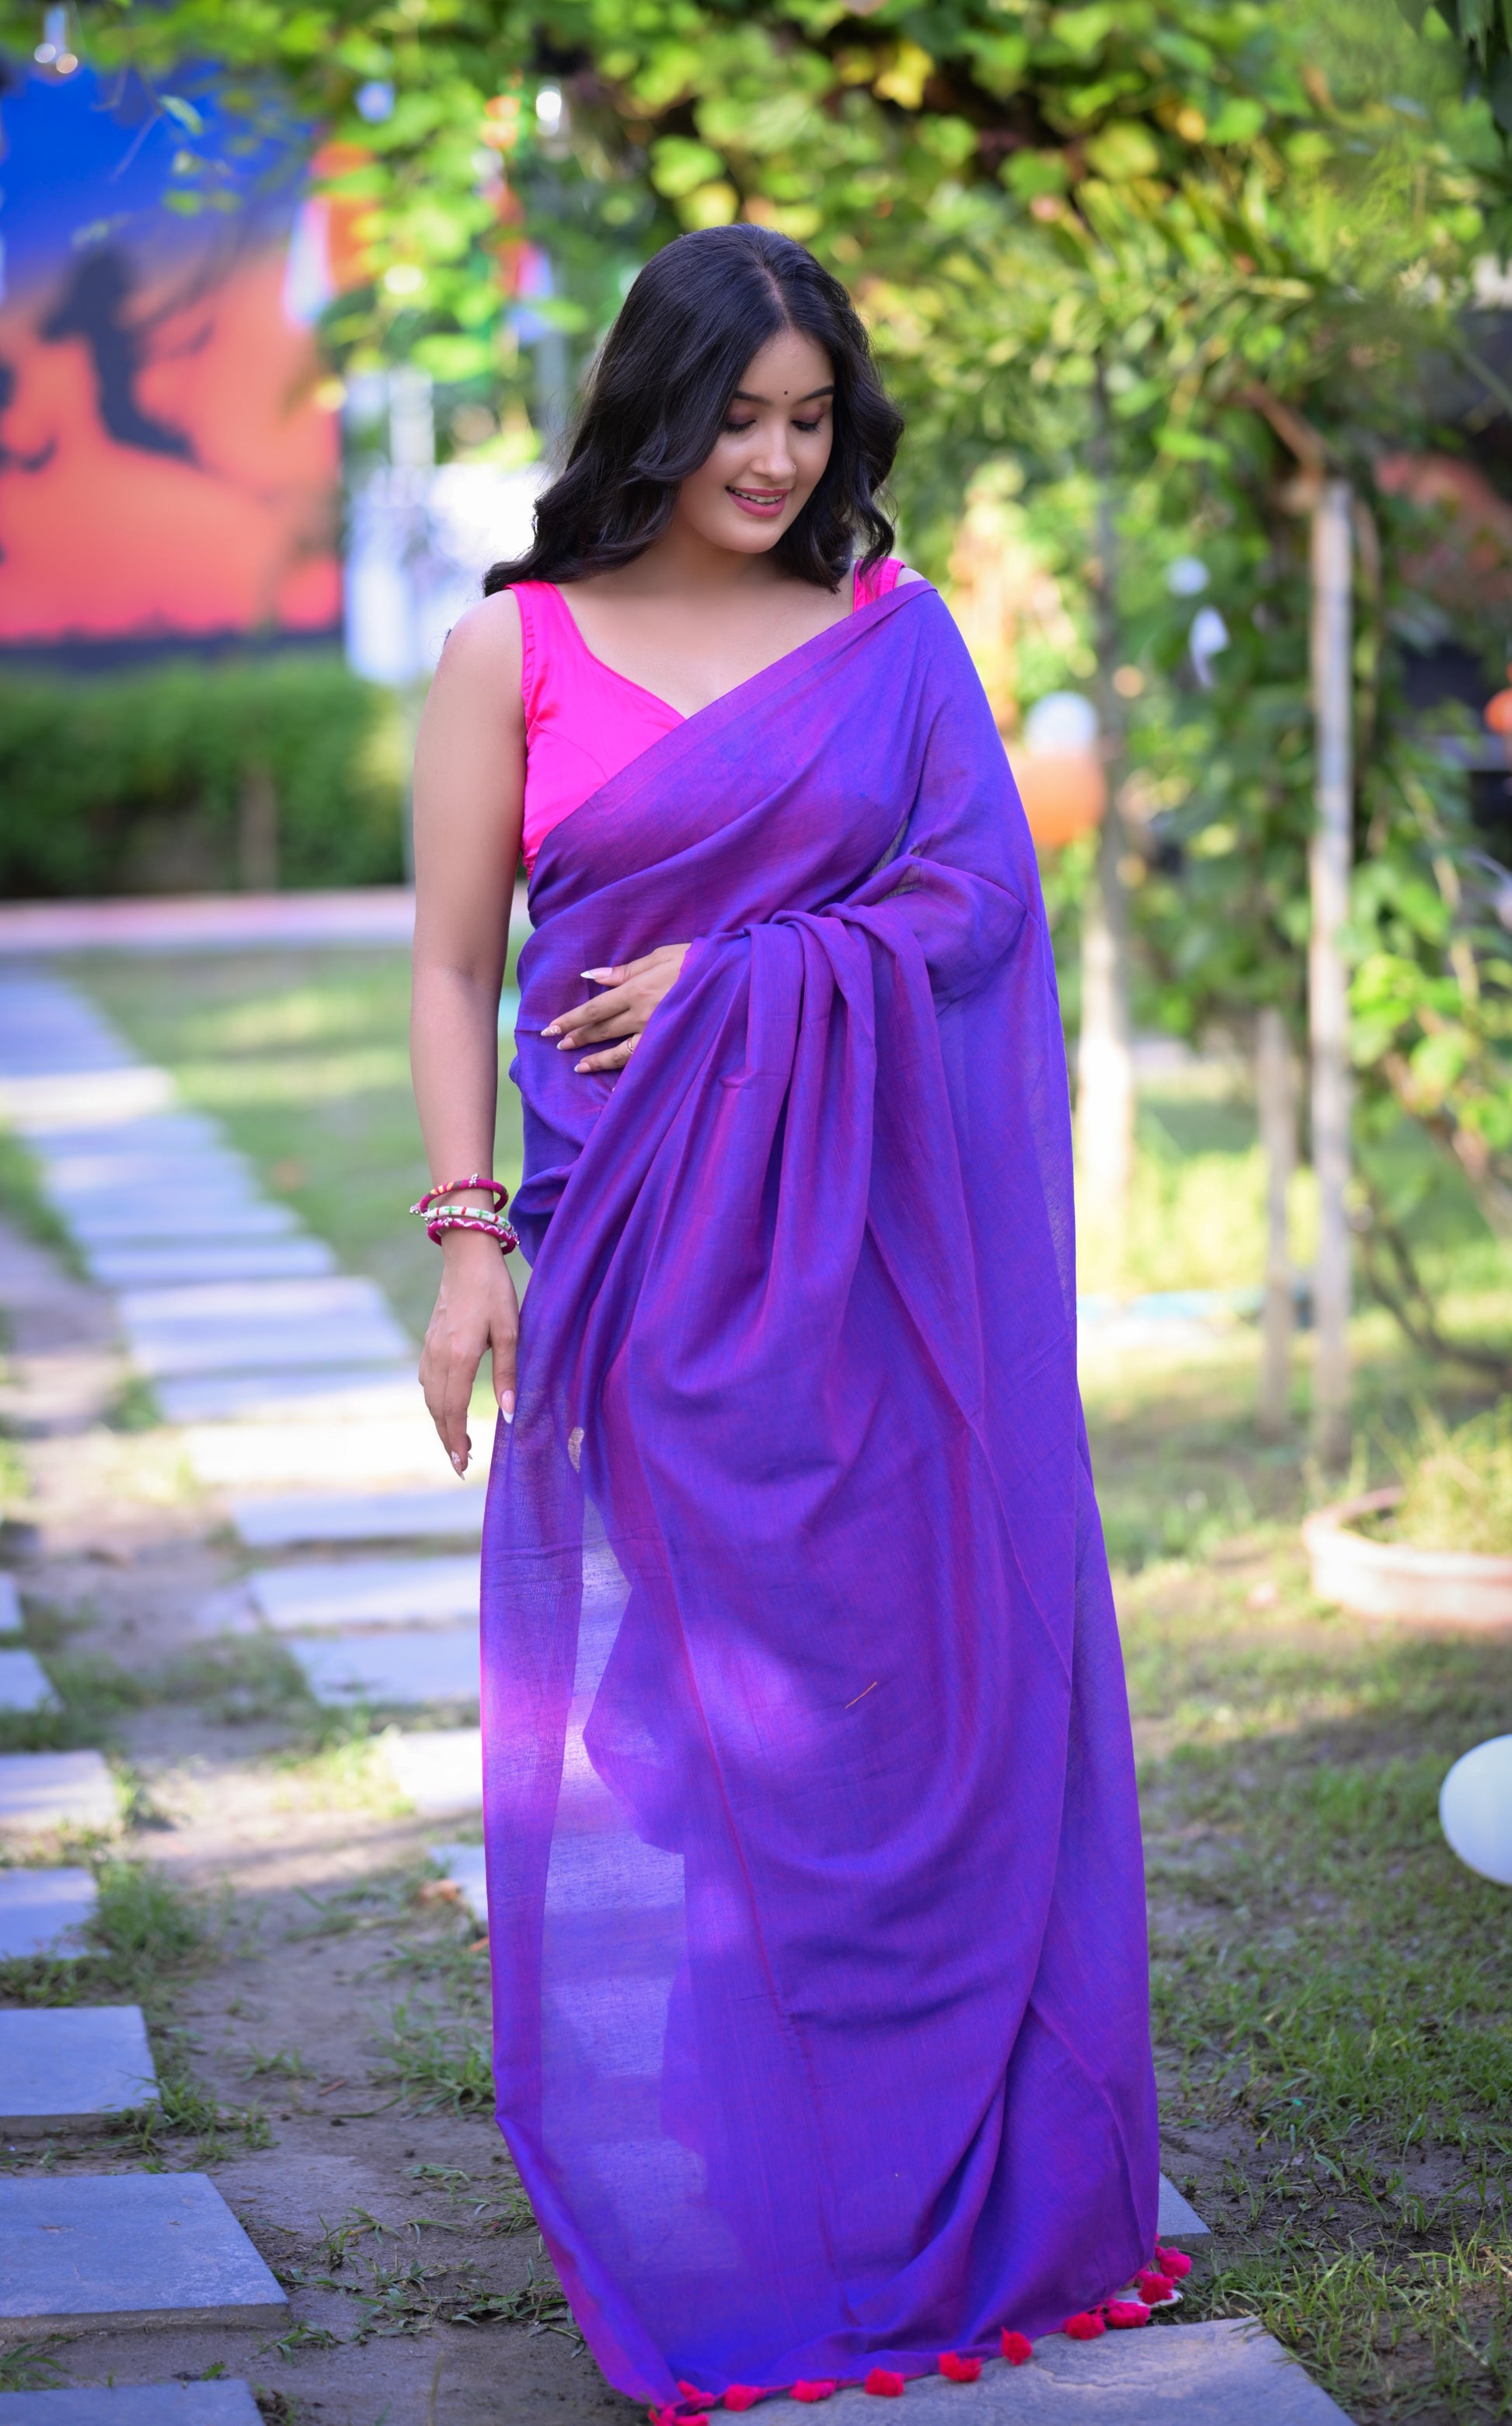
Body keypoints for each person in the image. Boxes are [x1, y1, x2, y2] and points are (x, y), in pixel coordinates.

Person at [408, 222, 1159, 2416]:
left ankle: (941, 2160)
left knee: (899, 1695)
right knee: (717, 1725)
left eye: (811, 418)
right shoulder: (516, 649)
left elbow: (973, 903)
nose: (773, 456)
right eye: (736, 413)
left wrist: (740, 978)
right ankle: (764, 2156)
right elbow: (453, 962)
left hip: (881, 1259)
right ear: (653, 406)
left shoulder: (887, 639)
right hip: (638, 1256)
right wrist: (467, 1237)